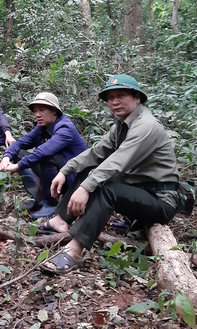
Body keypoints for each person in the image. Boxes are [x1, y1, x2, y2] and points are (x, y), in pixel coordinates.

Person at [39, 75, 179, 274]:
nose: (114, 102)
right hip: (138, 190)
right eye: (110, 97)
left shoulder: (146, 125)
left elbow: (118, 160)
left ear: (137, 97)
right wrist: (66, 170)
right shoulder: (122, 125)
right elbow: (97, 153)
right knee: (89, 170)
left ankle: (74, 251)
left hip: (160, 199)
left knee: (105, 187)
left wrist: (86, 187)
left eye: (121, 95)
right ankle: (60, 219)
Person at [0, 92, 87, 219]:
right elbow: (20, 143)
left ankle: (51, 203)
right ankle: (38, 198)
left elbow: (43, 151)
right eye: (35, 111)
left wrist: (17, 166)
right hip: (60, 174)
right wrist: (7, 157)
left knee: (45, 157)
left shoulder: (64, 128)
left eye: (42, 110)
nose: (37, 115)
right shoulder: (42, 128)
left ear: (54, 111)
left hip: (74, 179)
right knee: (19, 153)